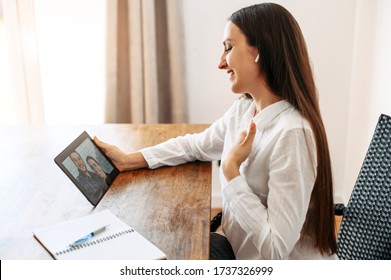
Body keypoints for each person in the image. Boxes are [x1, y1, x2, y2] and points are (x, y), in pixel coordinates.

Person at [94, 3, 337, 259]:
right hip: (236, 251)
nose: (221, 63)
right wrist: (129, 159)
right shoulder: (244, 110)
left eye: (229, 48)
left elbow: (276, 249)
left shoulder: (292, 134)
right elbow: (195, 146)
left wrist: (230, 170)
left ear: (260, 51)